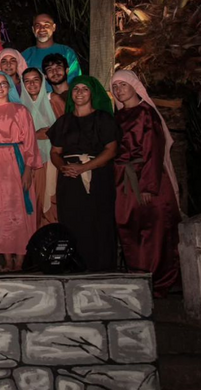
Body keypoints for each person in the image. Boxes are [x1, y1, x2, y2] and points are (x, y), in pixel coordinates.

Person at [111, 70, 181, 295]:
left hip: (146, 180)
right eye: (115, 87)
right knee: (129, 227)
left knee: (153, 230)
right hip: (124, 181)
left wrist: (148, 186)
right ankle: (138, 277)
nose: (119, 90)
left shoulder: (146, 113)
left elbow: (153, 150)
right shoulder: (118, 116)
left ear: (134, 86)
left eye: (123, 85)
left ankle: (157, 281)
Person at [48, 76, 120, 271]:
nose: (79, 92)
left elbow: (111, 150)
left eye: (84, 89)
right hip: (70, 178)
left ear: (92, 94)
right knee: (73, 220)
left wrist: (84, 168)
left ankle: (101, 269)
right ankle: (76, 267)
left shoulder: (103, 119)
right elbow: (55, 152)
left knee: (99, 220)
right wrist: (63, 167)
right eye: (76, 89)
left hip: (97, 176)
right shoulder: (64, 122)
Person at [0, 71, 42, 272]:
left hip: (16, 161)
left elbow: (30, 141)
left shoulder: (20, 110)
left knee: (20, 208)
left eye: (3, 83)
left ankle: (20, 260)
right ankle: (7, 260)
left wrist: (28, 169)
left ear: (10, 87)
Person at [21, 68, 63, 227]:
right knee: (35, 199)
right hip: (30, 161)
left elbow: (67, 126)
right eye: (27, 81)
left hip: (52, 159)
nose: (31, 84)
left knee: (51, 199)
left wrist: (50, 133)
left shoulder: (53, 99)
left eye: (35, 80)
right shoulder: (20, 106)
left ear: (42, 81)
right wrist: (35, 134)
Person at [22, 13, 81, 90]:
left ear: (54, 27)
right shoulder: (25, 55)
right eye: (38, 25)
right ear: (33, 30)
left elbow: (76, 81)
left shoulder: (66, 52)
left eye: (46, 25)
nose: (42, 29)